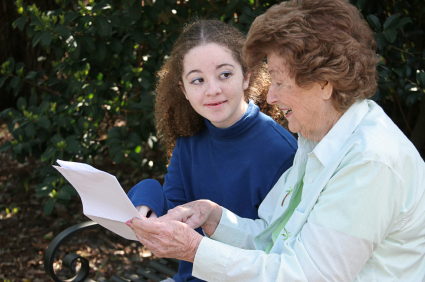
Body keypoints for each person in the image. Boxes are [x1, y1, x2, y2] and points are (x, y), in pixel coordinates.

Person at [126, 0, 425, 281]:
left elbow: (304, 275)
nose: (270, 96)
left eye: (280, 82)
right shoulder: (318, 142)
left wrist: (195, 250)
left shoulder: (370, 163)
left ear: (324, 83)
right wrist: (212, 216)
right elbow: (269, 236)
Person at [126, 19, 297, 282]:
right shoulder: (190, 139)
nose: (213, 90)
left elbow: (279, 253)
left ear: (246, 76)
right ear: (183, 90)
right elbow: (175, 213)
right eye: (197, 80)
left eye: (225, 74)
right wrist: (145, 199)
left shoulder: (280, 151)